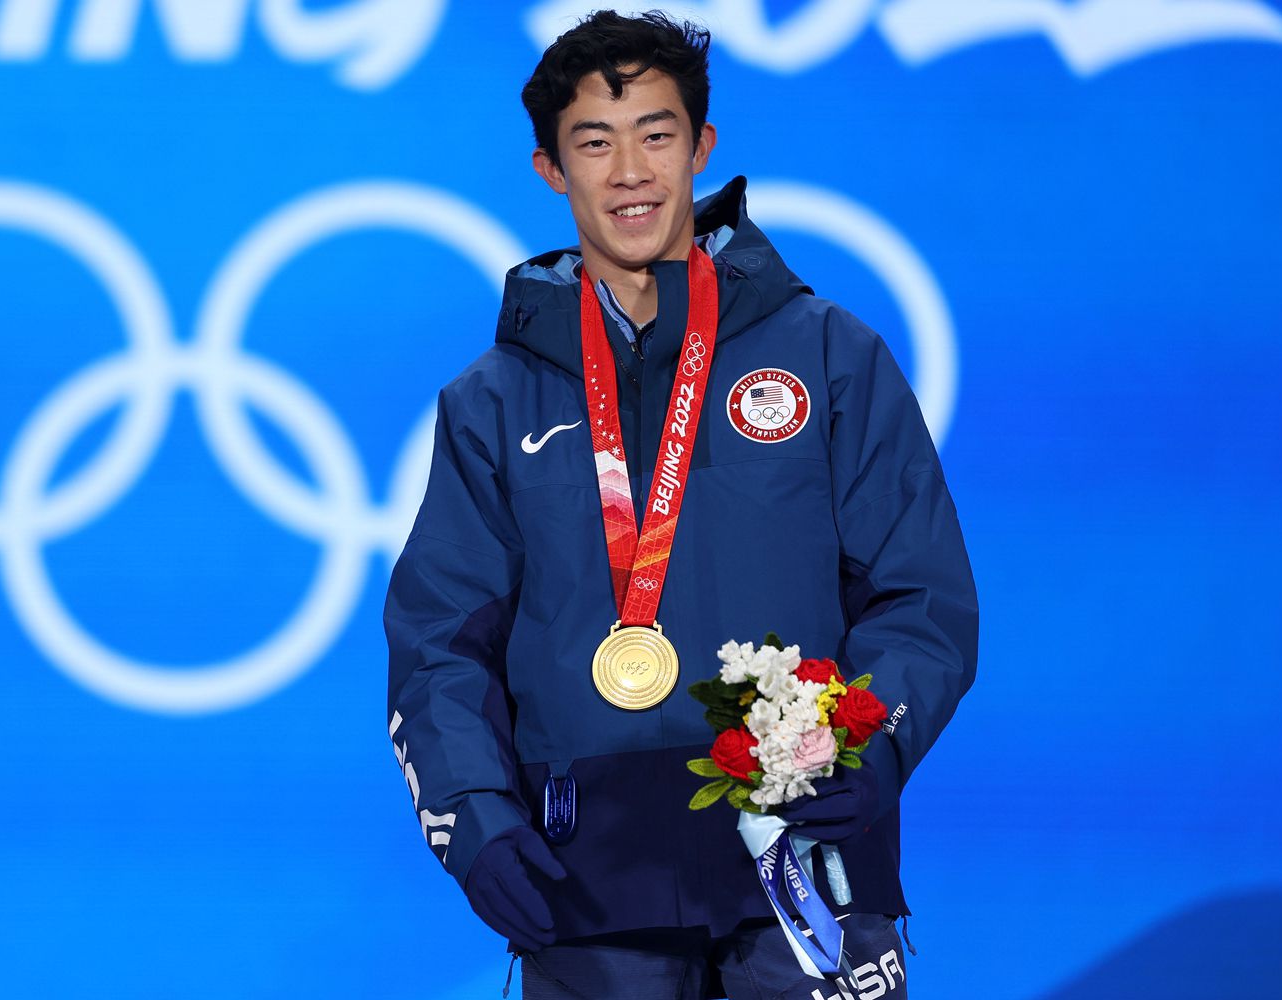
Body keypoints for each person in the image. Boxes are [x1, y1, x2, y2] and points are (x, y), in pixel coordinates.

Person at [384, 10, 977, 998]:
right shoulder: (492, 403)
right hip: (591, 888)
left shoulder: (831, 357)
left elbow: (923, 599)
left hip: (810, 866)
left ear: (701, 146)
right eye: (594, 142)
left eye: (656, 134)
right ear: (549, 169)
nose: (629, 171)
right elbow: (440, 640)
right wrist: (475, 814)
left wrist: (869, 743)